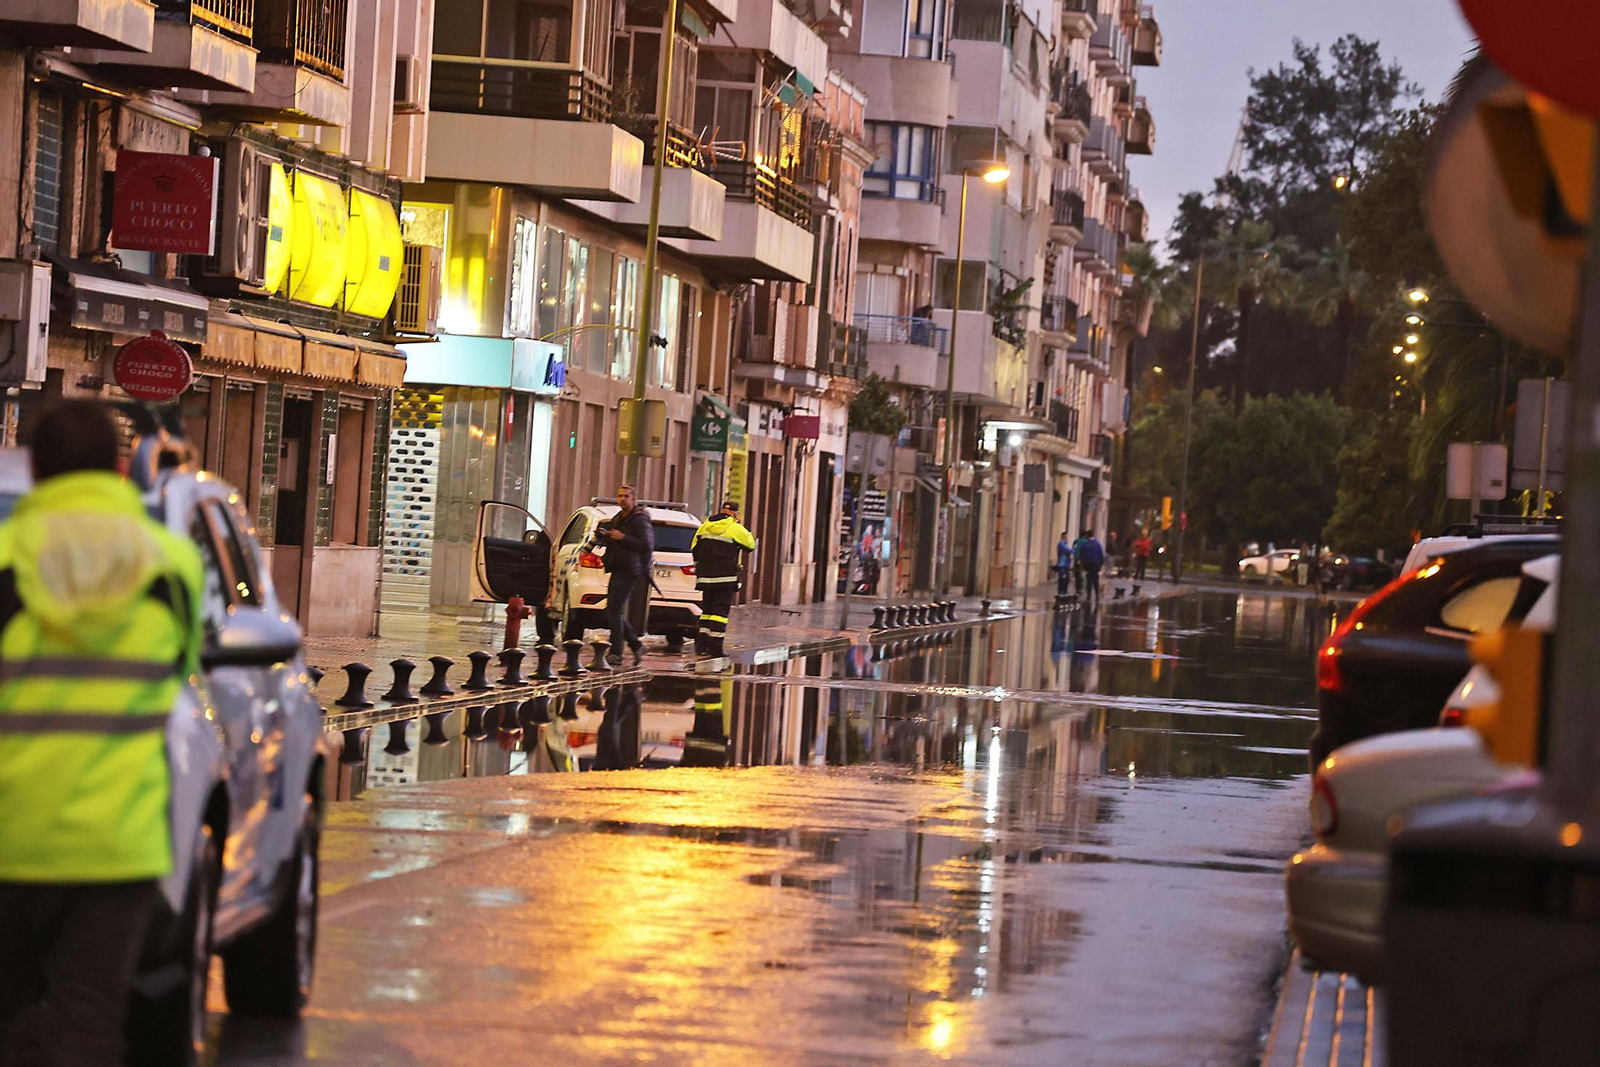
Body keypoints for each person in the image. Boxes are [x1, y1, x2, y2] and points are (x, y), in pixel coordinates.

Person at [0, 400, 204, 1066]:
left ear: (34, 468)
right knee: (88, 1024)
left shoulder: (4, 560)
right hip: (118, 847)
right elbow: (182, 669)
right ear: (120, 469)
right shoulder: (170, 564)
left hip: (10, 838)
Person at [690, 500, 755, 657]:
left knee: (707, 611)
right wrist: (739, 525)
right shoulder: (735, 528)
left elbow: (694, 549)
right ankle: (715, 647)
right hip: (725, 577)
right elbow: (750, 545)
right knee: (720, 613)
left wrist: (701, 568)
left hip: (706, 577)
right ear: (735, 513)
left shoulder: (704, 526)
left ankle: (701, 646)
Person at [601, 484, 653, 666]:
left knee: (614, 610)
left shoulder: (639, 520)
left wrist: (623, 537)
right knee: (615, 610)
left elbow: (645, 544)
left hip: (630, 570)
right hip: (617, 568)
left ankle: (617, 652)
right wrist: (606, 535)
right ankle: (635, 645)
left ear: (634, 499)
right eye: (620, 495)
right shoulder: (618, 518)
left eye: (626, 496)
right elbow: (614, 539)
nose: (622, 499)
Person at [1076, 528, 1106, 604]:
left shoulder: (1085, 544)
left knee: (1089, 578)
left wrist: (1083, 564)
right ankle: (1097, 594)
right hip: (1096, 564)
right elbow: (1101, 555)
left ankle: (1089, 594)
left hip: (1088, 563)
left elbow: (1082, 555)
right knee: (1095, 578)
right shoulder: (1097, 544)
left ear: (1087, 535)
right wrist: (1101, 564)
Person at [1055, 531, 1073, 601]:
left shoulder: (1064, 544)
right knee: (1062, 579)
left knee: (1066, 580)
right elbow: (1069, 551)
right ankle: (1061, 593)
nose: (1067, 539)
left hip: (1066, 565)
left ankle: (1064, 592)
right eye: (1066, 537)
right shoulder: (1061, 544)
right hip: (1062, 564)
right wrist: (1074, 548)